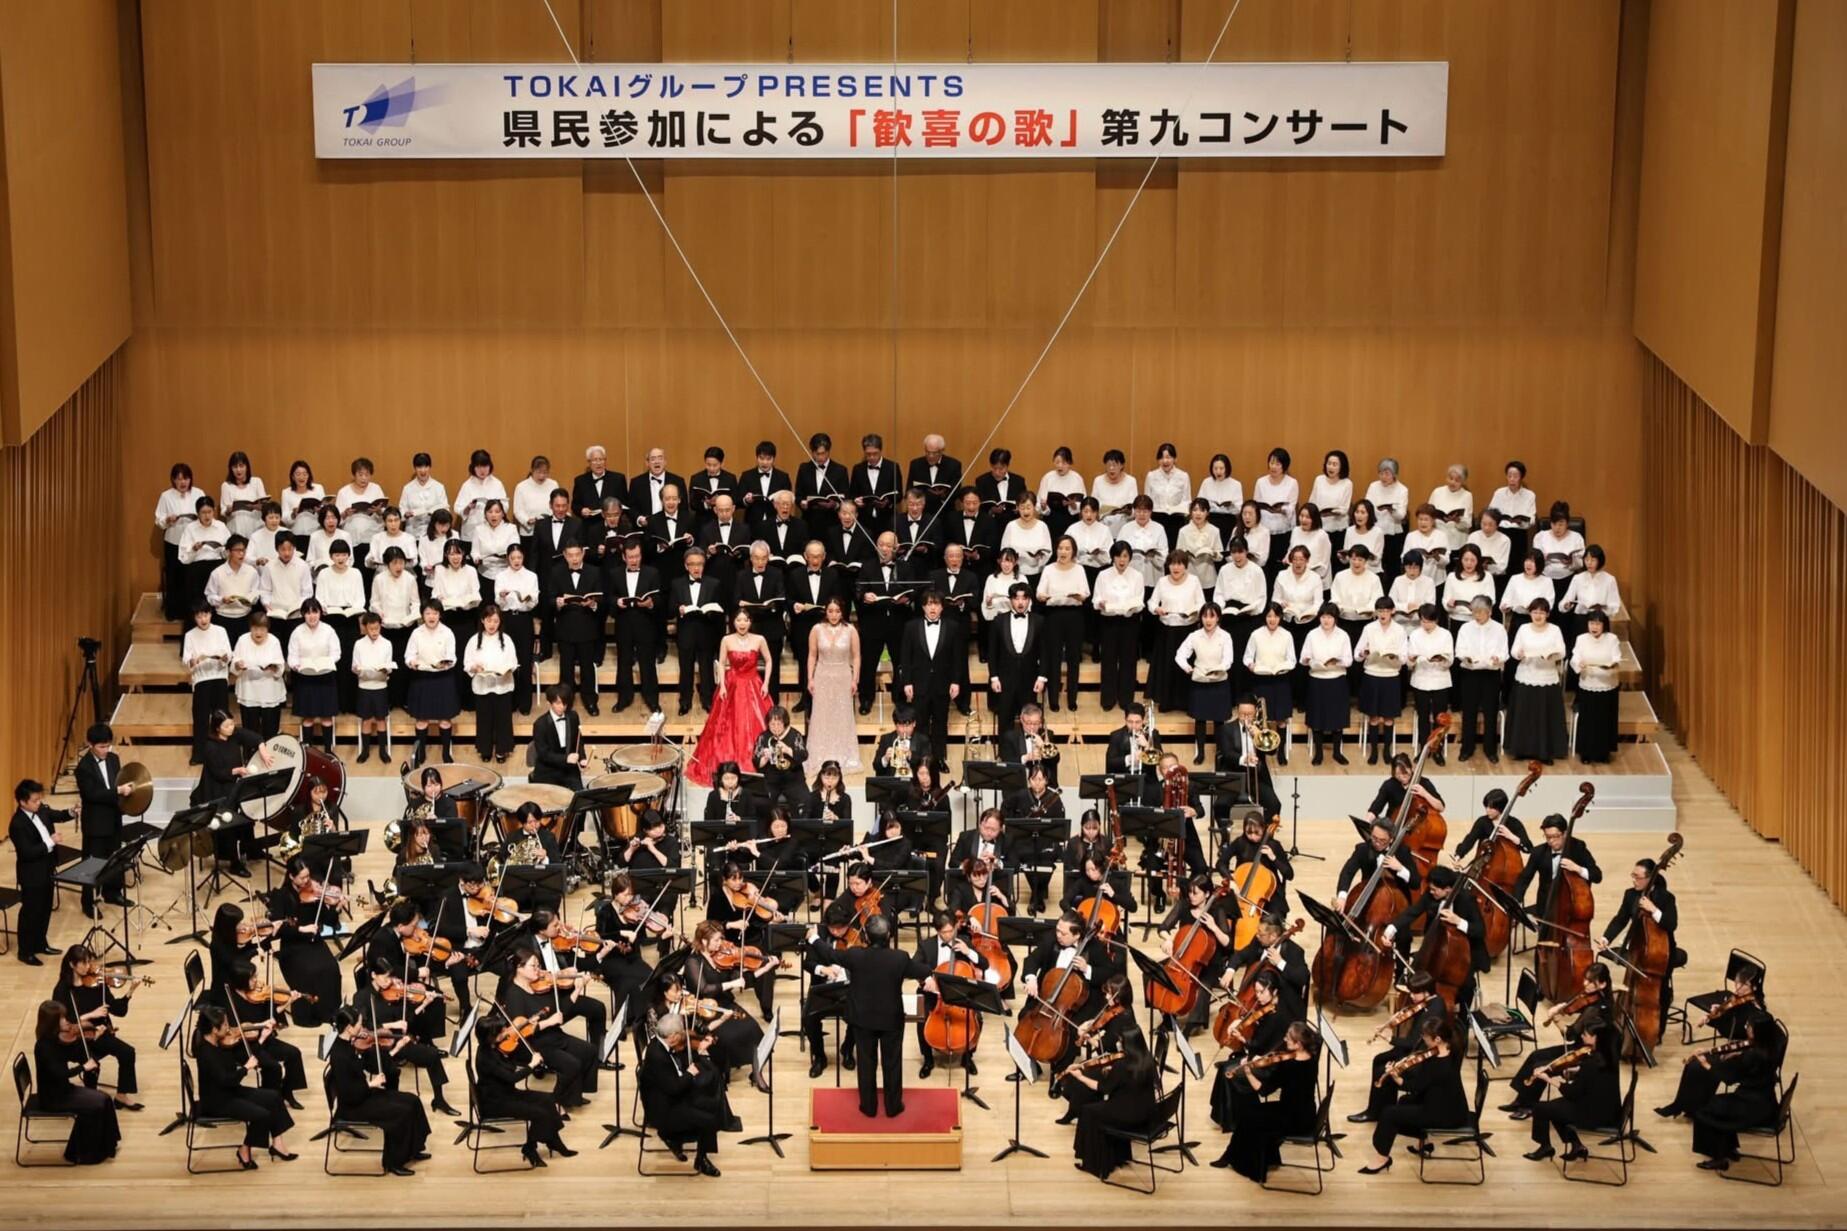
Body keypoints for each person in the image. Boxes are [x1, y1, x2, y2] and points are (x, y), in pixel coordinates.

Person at [808, 913, 919, 1119]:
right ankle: (893, 1106)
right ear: (889, 935)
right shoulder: (900, 957)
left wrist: (814, 938)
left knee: (866, 1064)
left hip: (863, 1019)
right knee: (892, 1063)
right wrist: (929, 977)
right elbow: (920, 970)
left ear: (866, 936)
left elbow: (831, 954)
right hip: (891, 1020)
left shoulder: (855, 955)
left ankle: (868, 1107)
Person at [1211, 1020, 1319, 1181]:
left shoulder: (1288, 1066)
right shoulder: (1312, 1059)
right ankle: (1258, 1157)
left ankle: (1246, 1164)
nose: (1284, 1039)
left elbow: (1263, 1090)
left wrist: (1248, 1072)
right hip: (1307, 1114)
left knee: (1248, 1117)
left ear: (1298, 1044)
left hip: (1292, 1119)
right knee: (1252, 1113)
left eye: (1288, 1038)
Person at [1502, 962, 1614, 1117]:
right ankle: (1521, 1100)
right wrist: (1563, 1007)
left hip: (1585, 1054)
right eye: (1586, 979)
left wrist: (1556, 1018)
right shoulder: (1597, 999)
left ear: (1602, 984)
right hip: (1580, 1046)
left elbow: (1570, 1035)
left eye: (1591, 982)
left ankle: (1528, 1107)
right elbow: (1577, 1007)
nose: (1585, 984)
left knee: (1541, 1066)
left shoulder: (1595, 1009)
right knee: (1535, 1055)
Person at [328, 1008, 431, 1176]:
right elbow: (348, 1093)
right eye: (359, 1024)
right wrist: (371, 1084)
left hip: (362, 1095)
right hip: (354, 1105)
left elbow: (364, 1067)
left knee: (413, 1100)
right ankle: (393, 1162)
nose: (362, 1027)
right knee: (400, 1112)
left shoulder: (348, 1044)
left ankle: (413, 1149)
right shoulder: (340, 1055)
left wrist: (392, 1051)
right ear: (349, 1028)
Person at [1357, 1017, 1465, 1175]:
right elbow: (1424, 1084)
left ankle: (1382, 1158)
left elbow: (1415, 1087)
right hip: (1454, 1106)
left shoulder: (1437, 1064)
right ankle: (1422, 1143)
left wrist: (1396, 1077)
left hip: (1444, 1115)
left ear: (1438, 1039)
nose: (1423, 1040)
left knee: (1389, 1114)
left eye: (1426, 1037)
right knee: (1404, 1101)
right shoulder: (1452, 1050)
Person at [193, 1005, 297, 1168]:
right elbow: (227, 1080)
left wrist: (261, 1038)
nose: (229, 1028)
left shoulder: (220, 1043)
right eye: (225, 1025)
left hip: (230, 1091)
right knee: (262, 1115)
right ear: (214, 1029)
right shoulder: (207, 1053)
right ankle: (244, 1149)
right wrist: (245, 1069)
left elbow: (248, 1057)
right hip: (218, 1101)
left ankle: (277, 1144)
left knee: (274, 1097)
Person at [1381, 865, 1489, 1010]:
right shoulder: (1431, 894)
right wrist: (1391, 929)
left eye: (1434, 889)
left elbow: (1480, 930)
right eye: (1430, 889)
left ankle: (1464, 1017)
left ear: (1448, 889)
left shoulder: (1466, 900)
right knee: (1423, 977)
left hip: (1465, 954)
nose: (1430, 892)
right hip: (1437, 947)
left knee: (1466, 985)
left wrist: (1459, 921)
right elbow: (1413, 912)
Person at [472, 1017, 574, 1167]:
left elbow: (509, 1068)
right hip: (495, 1103)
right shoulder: (486, 1057)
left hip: (506, 1093)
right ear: (490, 1036)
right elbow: (512, 1078)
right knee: (540, 1114)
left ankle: (553, 1141)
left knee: (548, 1099)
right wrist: (531, 1066)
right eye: (501, 1032)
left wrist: (513, 1055)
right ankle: (531, 1148)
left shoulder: (494, 1047)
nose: (506, 1032)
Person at [1689, 1014, 1785, 1172]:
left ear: (1757, 1032)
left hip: (1752, 1108)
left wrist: (1706, 1064)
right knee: (1717, 1104)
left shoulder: (1752, 1056)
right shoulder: (1773, 1046)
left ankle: (1718, 1158)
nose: (1746, 1028)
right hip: (1767, 1102)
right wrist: (1740, 1055)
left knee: (1703, 1111)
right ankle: (1728, 1149)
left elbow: (1729, 1078)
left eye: (1749, 1027)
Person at [688, 608, 772, 786]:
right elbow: (721, 663)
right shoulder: (726, 640)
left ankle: (754, 766)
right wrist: (722, 685)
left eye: (745, 620)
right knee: (725, 726)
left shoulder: (759, 639)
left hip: (753, 684)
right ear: (733, 622)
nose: (742, 623)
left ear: (750, 622)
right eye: (739, 620)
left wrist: (766, 683)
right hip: (732, 684)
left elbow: (769, 660)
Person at [503, 950, 597, 1110]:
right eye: (533, 966)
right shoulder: (514, 994)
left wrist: (577, 990)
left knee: (589, 1051)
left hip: (552, 1036)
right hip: (533, 1044)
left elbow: (560, 1011)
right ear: (519, 968)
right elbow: (521, 1030)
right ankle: (553, 1101)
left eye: (538, 965)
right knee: (572, 1065)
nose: (538, 970)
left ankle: (572, 1096)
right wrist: (548, 1022)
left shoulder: (538, 986)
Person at [31, 1000, 120, 1164]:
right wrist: (83, 1067)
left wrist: (92, 1039)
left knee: (105, 1099)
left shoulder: (54, 1040)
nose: (67, 1021)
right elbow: (60, 1074)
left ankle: (108, 1145)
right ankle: (81, 1154)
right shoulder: (44, 1047)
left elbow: (69, 1053)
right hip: (54, 1098)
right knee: (94, 1105)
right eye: (62, 1018)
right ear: (52, 1022)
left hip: (63, 1090)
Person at [637, 1013, 726, 1176]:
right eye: (680, 1033)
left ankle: (676, 1138)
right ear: (672, 1037)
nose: (682, 1036)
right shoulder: (658, 1056)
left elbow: (674, 1076)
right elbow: (674, 1089)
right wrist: (690, 1074)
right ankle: (701, 1160)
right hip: (663, 1110)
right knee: (709, 1116)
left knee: (709, 1102)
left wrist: (696, 1055)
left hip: (667, 1096)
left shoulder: (659, 1043)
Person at [1524, 1014, 1620, 1163]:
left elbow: (1572, 1093)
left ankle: (1545, 1147)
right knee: (1555, 1107)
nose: (1582, 1036)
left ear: (1596, 1038)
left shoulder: (1591, 1063)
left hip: (1593, 1115)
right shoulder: (1609, 1057)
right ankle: (1577, 1146)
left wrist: (1548, 1079)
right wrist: (1574, 1072)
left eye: (1585, 1034)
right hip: (1608, 1109)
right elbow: (1593, 1080)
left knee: (1541, 1108)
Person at [1069, 1032, 1159, 1180]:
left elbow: (1102, 1088)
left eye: (1120, 1041)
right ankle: (1119, 1156)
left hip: (1129, 1117)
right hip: (1146, 1112)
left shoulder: (1122, 1065)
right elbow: (1132, 1079)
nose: (1118, 1044)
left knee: (1087, 1111)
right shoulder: (1148, 1059)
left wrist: (1081, 1077)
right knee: (1099, 1108)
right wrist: (1113, 1072)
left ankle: (1093, 1164)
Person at [71, 725, 130, 916]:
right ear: (90, 744)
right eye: (101, 747)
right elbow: (92, 794)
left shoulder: (113, 759)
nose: (106, 750)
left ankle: (112, 893)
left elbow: (117, 781)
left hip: (113, 818)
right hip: (95, 822)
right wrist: (117, 791)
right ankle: (88, 902)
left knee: (115, 859)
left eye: (108, 746)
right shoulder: (83, 768)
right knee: (92, 864)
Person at [1506, 596, 1568, 762]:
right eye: (1534, 612)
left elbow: (1562, 651)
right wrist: (1518, 653)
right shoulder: (1523, 629)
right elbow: (1514, 650)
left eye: (1541, 612)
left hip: (1547, 677)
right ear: (1530, 613)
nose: (1538, 615)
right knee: (1524, 715)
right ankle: (1521, 749)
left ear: (1547, 614)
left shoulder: (1554, 630)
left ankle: (1545, 751)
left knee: (1545, 716)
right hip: (1526, 675)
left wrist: (1552, 655)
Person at [548, 539, 604, 715]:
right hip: (565, 627)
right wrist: (557, 602)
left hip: (587, 627)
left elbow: (602, 599)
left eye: (577, 554)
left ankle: (590, 701)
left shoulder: (594, 571)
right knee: (566, 669)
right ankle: (565, 703)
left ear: (583, 553)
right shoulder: (556, 572)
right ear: (565, 556)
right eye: (570, 555)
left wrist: (593, 604)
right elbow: (549, 599)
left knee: (587, 668)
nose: (574, 559)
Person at [1175, 602, 1235, 765]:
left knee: (1219, 720)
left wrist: (1219, 668)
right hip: (1200, 681)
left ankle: (1220, 752)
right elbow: (1180, 655)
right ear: (1201, 618)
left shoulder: (1225, 636)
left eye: (1212, 616)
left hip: (1219, 681)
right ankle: (1200, 752)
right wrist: (1188, 668)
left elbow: (1228, 659)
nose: (1208, 620)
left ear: (1218, 618)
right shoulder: (1194, 636)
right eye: (1205, 616)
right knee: (1200, 719)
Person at [608, 539, 663, 713]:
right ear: (624, 557)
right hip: (623, 623)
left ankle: (652, 699)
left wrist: (650, 603)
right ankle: (624, 698)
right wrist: (616, 602)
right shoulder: (615, 573)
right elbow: (609, 596)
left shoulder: (652, 573)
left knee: (648, 663)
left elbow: (659, 598)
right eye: (631, 557)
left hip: (645, 623)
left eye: (637, 556)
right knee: (624, 662)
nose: (634, 560)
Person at [403, 599, 459, 766]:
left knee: (445, 720)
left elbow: (452, 656)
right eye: (427, 613)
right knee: (422, 720)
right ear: (422, 615)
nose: (431, 616)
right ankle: (421, 753)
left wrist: (446, 663)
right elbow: (408, 655)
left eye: (435, 613)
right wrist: (411, 662)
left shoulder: (447, 632)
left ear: (440, 615)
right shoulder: (416, 633)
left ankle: (446, 753)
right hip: (422, 678)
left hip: (443, 678)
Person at [1093, 540, 1147, 713]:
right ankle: (1108, 699)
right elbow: (1096, 599)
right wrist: (1101, 603)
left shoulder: (1137, 576)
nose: (1121, 560)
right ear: (1112, 557)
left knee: (1128, 661)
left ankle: (1126, 699)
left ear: (1130, 558)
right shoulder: (1103, 575)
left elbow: (1140, 600)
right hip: (1109, 622)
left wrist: (1133, 607)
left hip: (1129, 622)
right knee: (1108, 660)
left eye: (1125, 556)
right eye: (1118, 556)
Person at [1454, 594, 1508, 763]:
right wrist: (1467, 657)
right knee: (1469, 711)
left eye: (1480, 612)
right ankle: (1467, 748)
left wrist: (1498, 658)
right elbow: (1459, 650)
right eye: (1474, 612)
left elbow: (1504, 652)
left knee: (1490, 712)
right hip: (1470, 673)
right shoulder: (1465, 628)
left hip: (1490, 674)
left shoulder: (1499, 629)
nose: (1476, 615)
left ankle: (1490, 749)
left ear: (1489, 611)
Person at [987, 582, 1048, 731]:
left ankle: (1029, 747)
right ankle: (1005, 747)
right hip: (1005, 680)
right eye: (1016, 598)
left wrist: (1041, 677)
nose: (1020, 602)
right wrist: (994, 677)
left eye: (1024, 598)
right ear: (1010, 600)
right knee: (1004, 721)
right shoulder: (999, 621)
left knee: (1030, 723)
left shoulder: (1039, 621)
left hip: (1029, 680)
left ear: (1029, 600)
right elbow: (992, 652)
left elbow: (1045, 652)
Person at [1299, 602, 1353, 765]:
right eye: (1323, 617)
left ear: (1335, 618)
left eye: (1329, 617)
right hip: (1317, 680)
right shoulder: (1312, 635)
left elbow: (1349, 660)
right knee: (1317, 718)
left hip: (1337, 680)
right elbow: (1302, 658)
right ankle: (1319, 753)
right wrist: (1308, 660)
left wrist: (1337, 661)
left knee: (1337, 718)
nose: (1326, 620)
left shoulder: (1343, 635)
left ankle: (1337, 752)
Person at [1512, 814, 1603, 909]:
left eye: (1555, 836)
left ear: (1565, 833)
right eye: (1548, 837)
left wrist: (1578, 869)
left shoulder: (1578, 847)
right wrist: (1517, 901)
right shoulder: (1538, 852)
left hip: (1572, 907)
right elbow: (1524, 879)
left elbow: (1597, 876)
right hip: (1545, 907)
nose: (1551, 841)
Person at [464, 604, 519, 763]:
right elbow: (467, 663)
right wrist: (474, 667)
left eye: (495, 621)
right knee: (484, 719)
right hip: (483, 685)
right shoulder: (474, 640)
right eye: (489, 620)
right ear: (483, 620)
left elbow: (513, 662)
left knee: (503, 719)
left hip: (502, 685)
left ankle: (502, 750)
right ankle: (485, 749)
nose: (492, 625)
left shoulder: (506, 640)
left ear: (500, 622)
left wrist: (507, 669)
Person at [1354, 597, 1406, 762]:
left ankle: (1387, 751)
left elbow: (1405, 657)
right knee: (1374, 717)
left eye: (1386, 611)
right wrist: (1364, 653)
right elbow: (1357, 655)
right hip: (1372, 675)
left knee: (1389, 717)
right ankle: (1374, 751)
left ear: (1392, 611)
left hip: (1391, 676)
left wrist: (1395, 656)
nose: (1383, 614)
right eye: (1380, 611)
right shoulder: (1369, 628)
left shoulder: (1399, 630)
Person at [181, 601, 233, 764]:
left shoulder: (220, 631)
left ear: (210, 614)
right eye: (199, 616)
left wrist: (224, 657)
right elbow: (186, 658)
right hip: (201, 679)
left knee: (222, 717)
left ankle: (223, 754)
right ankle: (199, 754)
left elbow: (228, 653)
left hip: (219, 677)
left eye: (205, 615)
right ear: (194, 618)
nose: (203, 619)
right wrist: (194, 660)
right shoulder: (190, 635)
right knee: (201, 718)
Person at [1217, 695, 1282, 822]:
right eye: (1242, 714)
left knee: (1274, 804)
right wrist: (1243, 759)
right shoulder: (1226, 729)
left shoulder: (1262, 729)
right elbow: (1227, 753)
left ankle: (1264, 833)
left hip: (1256, 776)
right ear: (1237, 711)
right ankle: (1225, 833)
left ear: (1256, 712)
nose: (1246, 717)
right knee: (1220, 805)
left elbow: (1272, 751)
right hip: (1234, 776)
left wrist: (1259, 735)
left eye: (1249, 714)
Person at [1571, 607, 1622, 763]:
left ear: (1604, 625)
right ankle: (1586, 753)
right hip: (1588, 684)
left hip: (1607, 685)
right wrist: (1579, 663)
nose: (1594, 627)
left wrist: (1611, 665)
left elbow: (1616, 658)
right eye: (1592, 623)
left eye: (1598, 624)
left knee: (1604, 720)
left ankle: (1603, 753)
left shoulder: (1612, 639)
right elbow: (1575, 657)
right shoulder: (1581, 639)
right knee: (1588, 720)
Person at [1407, 603, 1456, 763]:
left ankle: (1437, 750)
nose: (1426, 625)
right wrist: (1411, 659)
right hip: (1420, 680)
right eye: (1423, 621)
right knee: (1423, 717)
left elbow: (1450, 660)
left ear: (1436, 620)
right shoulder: (1415, 635)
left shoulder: (1445, 635)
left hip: (1440, 680)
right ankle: (1424, 749)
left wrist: (1441, 659)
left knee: (1440, 718)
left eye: (1429, 621)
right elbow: (1409, 662)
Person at [229, 613, 287, 739]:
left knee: (270, 733)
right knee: (250, 733)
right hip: (249, 691)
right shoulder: (243, 640)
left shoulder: (274, 641)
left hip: (270, 691)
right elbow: (234, 665)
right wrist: (238, 665)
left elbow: (280, 667)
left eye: (262, 629)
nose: (258, 633)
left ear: (267, 629)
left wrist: (273, 667)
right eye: (255, 629)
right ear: (250, 627)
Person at [529, 685, 586, 791]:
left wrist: (582, 758)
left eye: (564, 703)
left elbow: (578, 741)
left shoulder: (573, 717)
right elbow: (543, 754)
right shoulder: (540, 724)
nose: (562, 707)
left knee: (579, 797)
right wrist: (566, 758)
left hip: (569, 770)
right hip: (548, 771)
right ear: (549, 703)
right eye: (558, 703)